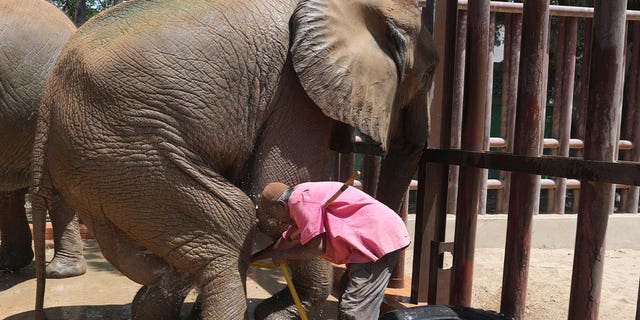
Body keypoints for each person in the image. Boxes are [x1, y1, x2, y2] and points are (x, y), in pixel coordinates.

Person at [252, 181, 411, 320]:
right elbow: (284, 243)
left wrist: (284, 255)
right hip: (369, 241)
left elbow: (315, 249)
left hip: (376, 240)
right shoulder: (299, 200)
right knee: (350, 302)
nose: (279, 221)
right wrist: (251, 259)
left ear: (281, 205)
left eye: (275, 216)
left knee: (355, 310)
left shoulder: (299, 201)